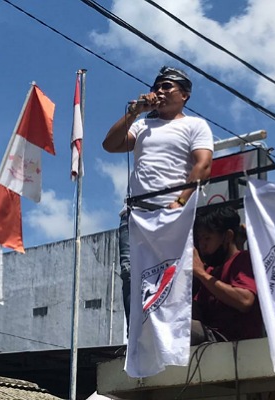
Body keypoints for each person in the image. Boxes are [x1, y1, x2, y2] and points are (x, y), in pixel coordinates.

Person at [102, 66, 214, 329]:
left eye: (167, 86)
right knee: (132, 275)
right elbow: (110, 145)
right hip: (136, 214)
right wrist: (134, 112)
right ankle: (137, 334)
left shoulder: (194, 125)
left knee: (171, 275)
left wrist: (181, 201)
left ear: (184, 95)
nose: (159, 91)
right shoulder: (143, 125)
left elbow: (203, 165)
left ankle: (172, 333)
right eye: (157, 87)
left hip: (172, 212)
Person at [191, 206, 263, 344]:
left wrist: (201, 274)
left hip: (233, 341)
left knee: (180, 329)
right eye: (200, 239)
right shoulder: (211, 270)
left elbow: (245, 301)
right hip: (210, 339)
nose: (202, 245)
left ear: (228, 236)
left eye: (207, 238)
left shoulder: (243, 259)